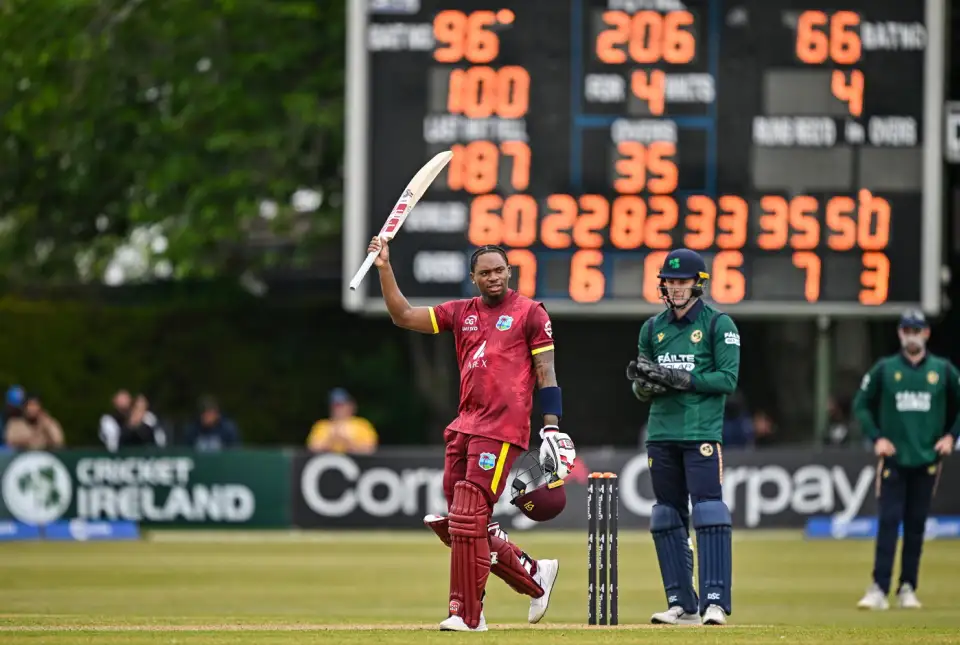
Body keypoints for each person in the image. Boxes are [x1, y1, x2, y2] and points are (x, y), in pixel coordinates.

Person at [368, 236, 576, 632]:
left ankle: (467, 615)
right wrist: (384, 267)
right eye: (485, 273)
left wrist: (552, 428)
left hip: (503, 428)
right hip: (464, 425)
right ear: (473, 278)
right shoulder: (461, 312)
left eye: (499, 271)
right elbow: (403, 315)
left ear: (509, 272)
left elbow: (547, 372)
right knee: (464, 525)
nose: (494, 277)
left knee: (466, 519)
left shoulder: (531, 313)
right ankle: (534, 575)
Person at [626, 248, 740, 626]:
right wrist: (647, 385)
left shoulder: (718, 325)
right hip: (661, 433)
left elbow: (727, 380)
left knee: (708, 511)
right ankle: (682, 603)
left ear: (698, 284)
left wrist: (683, 379)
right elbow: (640, 391)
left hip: (700, 432)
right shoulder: (651, 328)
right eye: (670, 282)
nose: (675, 288)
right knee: (665, 515)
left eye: (682, 282)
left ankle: (714, 602)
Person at [852, 309, 958, 610]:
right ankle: (878, 588)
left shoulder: (942, 370)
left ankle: (907, 587)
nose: (912, 335)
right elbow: (861, 404)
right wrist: (877, 437)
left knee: (915, 527)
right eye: (906, 330)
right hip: (894, 459)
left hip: (927, 460)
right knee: (888, 523)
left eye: (917, 330)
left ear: (926, 333)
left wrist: (951, 436)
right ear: (900, 334)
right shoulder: (885, 369)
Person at [306, 388, 378, 454]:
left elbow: (370, 448)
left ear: (350, 406)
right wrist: (332, 439)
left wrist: (347, 441)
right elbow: (312, 447)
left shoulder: (362, 425)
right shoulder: (322, 425)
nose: (338, 409)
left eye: (341, 405)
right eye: (335, 405)